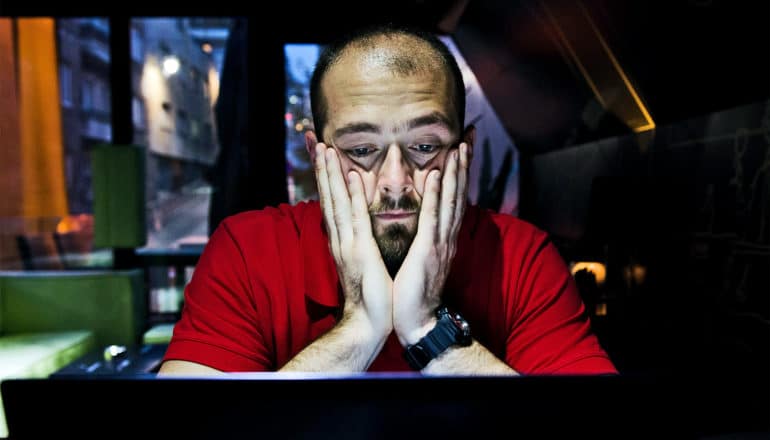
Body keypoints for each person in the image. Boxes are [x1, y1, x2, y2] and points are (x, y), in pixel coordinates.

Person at [158, 24, 617, 376]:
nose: (395, 182)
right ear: (317, 156)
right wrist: (359, 329)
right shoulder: (248, 250)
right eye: (361, 151)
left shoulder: (521, 256)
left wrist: (427, 329)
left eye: (424, 147)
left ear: (465, 151)